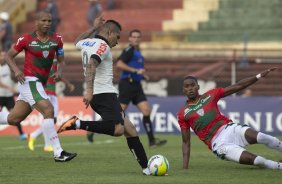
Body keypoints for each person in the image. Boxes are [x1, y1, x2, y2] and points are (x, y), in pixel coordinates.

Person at [57, 16, 150, 175]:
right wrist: (89, 90)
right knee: (118, 129)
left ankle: (147, 168)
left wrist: (93, 28)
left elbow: (77, 41)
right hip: (104, 94)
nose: (117, 41)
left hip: (100, 94)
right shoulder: (103, 46)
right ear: (109, 33)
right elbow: (92, 63)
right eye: (117, 36)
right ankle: (77, 124)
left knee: (130, 129)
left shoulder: (88, 42)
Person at [0, 10, 77, 162]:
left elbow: (62, 61)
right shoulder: (26, 39)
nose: (47, 24)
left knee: (13, 119)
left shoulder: (57, 39)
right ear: (36, 22)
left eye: (49, 21)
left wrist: (59, 72)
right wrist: (16, 71)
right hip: (29, 81)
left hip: (39, 83)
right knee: (49, 110)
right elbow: (9, 56)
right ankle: (58, 152)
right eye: (43, 21)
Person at [178, 67, 282, 170]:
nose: (190, 88)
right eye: (187, 86)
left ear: (198, 86)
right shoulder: (183, 113)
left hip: (230, 129)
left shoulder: (210, 95)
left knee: (263, 137)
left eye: (192, 85)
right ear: (183, 90)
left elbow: (238, 86)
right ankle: (278, 166)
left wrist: (258, 76)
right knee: (258, 161)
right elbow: (186, 142)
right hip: (219, 144)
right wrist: (185, 168)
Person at [115, 29, 167, 147]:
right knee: (118, 112)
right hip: (127, 84)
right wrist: (135, 71)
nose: (136, 39)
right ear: (129, 38)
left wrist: (142, 75)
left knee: (146, 111)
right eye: (134, 37)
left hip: (136, 86)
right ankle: (94, 129)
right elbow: (119, 64)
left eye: (138, 37)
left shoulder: (137, 52)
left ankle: (152, 141)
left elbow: (136, 69)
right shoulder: (129, 50)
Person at [28, 59, 75, 152]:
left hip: (52, 93)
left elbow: (57, 75)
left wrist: (68, 83)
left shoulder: (53, 61)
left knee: (53, 120)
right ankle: (47, 145)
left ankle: (33, 135)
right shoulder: (45, 59)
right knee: (49, 119)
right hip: (45, 93)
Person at [0, 51, 27, 140]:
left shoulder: (8, 67)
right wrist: (9, 87)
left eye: (5, 55)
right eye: (2, 55)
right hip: (0, 95)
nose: (4, 57)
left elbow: (12, 76)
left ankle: (21, 134)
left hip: (9, 96)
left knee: (15, 115)